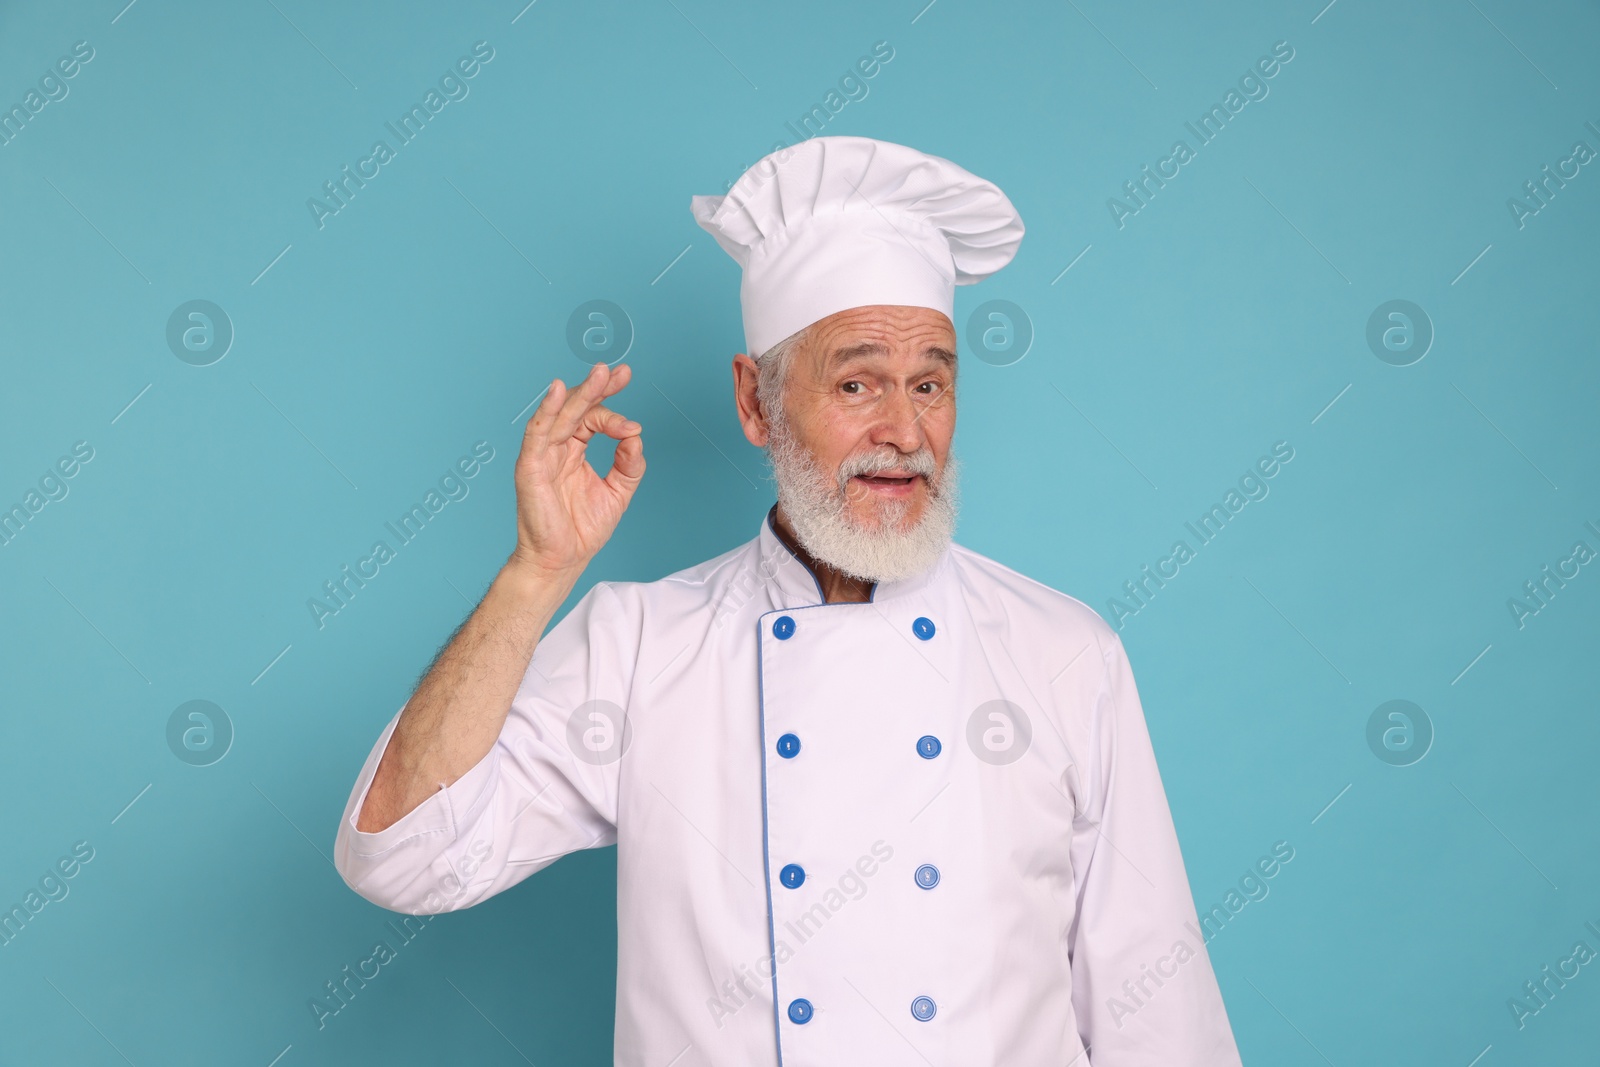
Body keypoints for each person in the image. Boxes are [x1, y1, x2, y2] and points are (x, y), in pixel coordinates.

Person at [334, 135, 1242, 1066]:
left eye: (930, 383)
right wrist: (535, 575)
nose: (904, 431)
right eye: (857, 383)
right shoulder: (643, 643)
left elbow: (1157, 1010)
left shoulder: (1065, 652)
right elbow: (403, 856)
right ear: (755, 402)